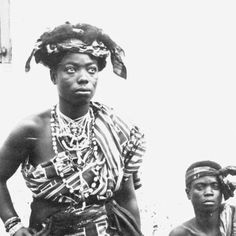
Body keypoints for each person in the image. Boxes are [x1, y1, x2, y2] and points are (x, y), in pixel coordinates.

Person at [0, 22, 146, 236]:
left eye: (91, 69)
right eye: (71, 69)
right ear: (53, 76)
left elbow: (126, 195)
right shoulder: (32, 129)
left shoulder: (116, 129)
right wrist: (14, 225)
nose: (84, 77)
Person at [169, 160, 236, 236]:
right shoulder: (181, 233)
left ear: (222, 191)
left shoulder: (233, 219)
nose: (208, 192)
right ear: (188, 193)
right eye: (200, 187)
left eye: (215, 186)